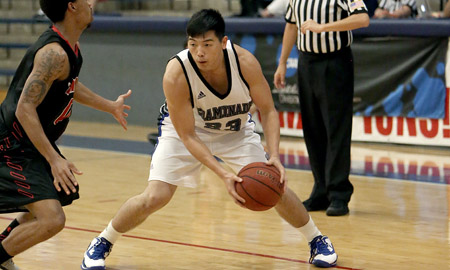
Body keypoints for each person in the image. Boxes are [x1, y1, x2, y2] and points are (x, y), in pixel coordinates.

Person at [82, 8, 338, 270]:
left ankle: (317, 239)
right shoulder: (176, 73)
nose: (199, 52)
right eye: (193, 45)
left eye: (207, 44)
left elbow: (269, 110)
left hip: (235, 132)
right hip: (186, 132)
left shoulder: (245, 62)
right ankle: (103, 241)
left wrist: (273, 156)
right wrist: (222, 173)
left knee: (275, 185)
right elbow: (187, 135)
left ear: (223, 43)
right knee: (155, 196)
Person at [0, 0, 131, 269]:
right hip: (11, 145)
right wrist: (54, 159)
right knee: (52, 219)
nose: (91, 4)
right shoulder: (54, 54)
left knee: (58, 193)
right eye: (86, 1)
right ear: (71, 7)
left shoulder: (68, 49)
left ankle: (4, 251)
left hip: (28, 143)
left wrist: (109, 106)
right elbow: (25, 108)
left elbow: (68, 84)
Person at [274, 1, 369, 216]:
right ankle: (321, 189)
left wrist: (323, 27)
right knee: (313, 128)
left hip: (335, 61)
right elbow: (291, 25)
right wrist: (282, 62)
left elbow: (363, 19)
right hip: (306, 62)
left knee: (336, 128)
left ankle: (338, 193)